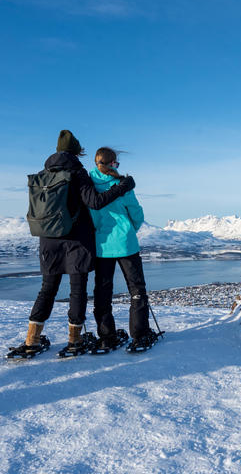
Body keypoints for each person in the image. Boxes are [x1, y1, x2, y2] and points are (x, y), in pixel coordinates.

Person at [9, 131, 135, 358]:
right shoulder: (78, 173)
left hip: (48, 242)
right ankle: (75, 341)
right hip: (77, 242)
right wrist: (122, 187)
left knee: (47, 290)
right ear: (77, 151)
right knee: (78, 292)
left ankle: (32, 340)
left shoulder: (42, 175)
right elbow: (95, 202)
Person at [88, 147, 157, 352]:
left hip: (101, 245)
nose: (117, 166)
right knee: (136, 289)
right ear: (111, 164)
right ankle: (140, 335)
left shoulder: (88, 185)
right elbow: (136, 213)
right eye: (116, 163)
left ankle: (107, 337)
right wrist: (129, 230)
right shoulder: (122, 185)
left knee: (102, 291)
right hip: (126, 244)